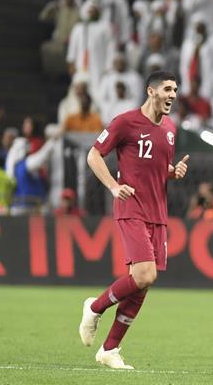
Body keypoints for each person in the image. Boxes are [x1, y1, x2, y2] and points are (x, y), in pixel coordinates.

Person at [78, 71, 189, 369]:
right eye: (167, 89)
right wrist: (114, 187)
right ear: (151, 91)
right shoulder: (125, 122)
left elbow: (156, 166)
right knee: (144, 275)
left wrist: (172, 171)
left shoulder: (169, 128)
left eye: (175, 90)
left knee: (142, 284)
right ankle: (95, 307)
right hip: (131, 207)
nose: (173, 95)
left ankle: (110, 349)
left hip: (158, 214)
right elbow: (93, 155)